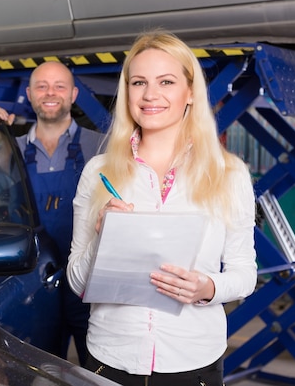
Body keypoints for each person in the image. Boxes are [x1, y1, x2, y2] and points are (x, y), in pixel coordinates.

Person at [66, 30, 257, 385]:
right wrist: (101, 241)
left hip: (192, 359)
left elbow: (245, 273)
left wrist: (208, 288)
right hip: (110, 357)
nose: (150, 94)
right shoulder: (98, 172)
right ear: (127, 94)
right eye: (139, 82)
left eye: (166, 81)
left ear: (189, 93)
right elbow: (76, 283)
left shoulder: (228, 174)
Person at [0, 61, 106, 366]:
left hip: (89, 286)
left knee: (98, 372)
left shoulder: (101, 148)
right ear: (29, 93)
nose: (50, 93)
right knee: (38, 373)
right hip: (33, 289)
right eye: (42, 86)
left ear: (74, 94)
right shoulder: (7, 150)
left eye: (59, 86)